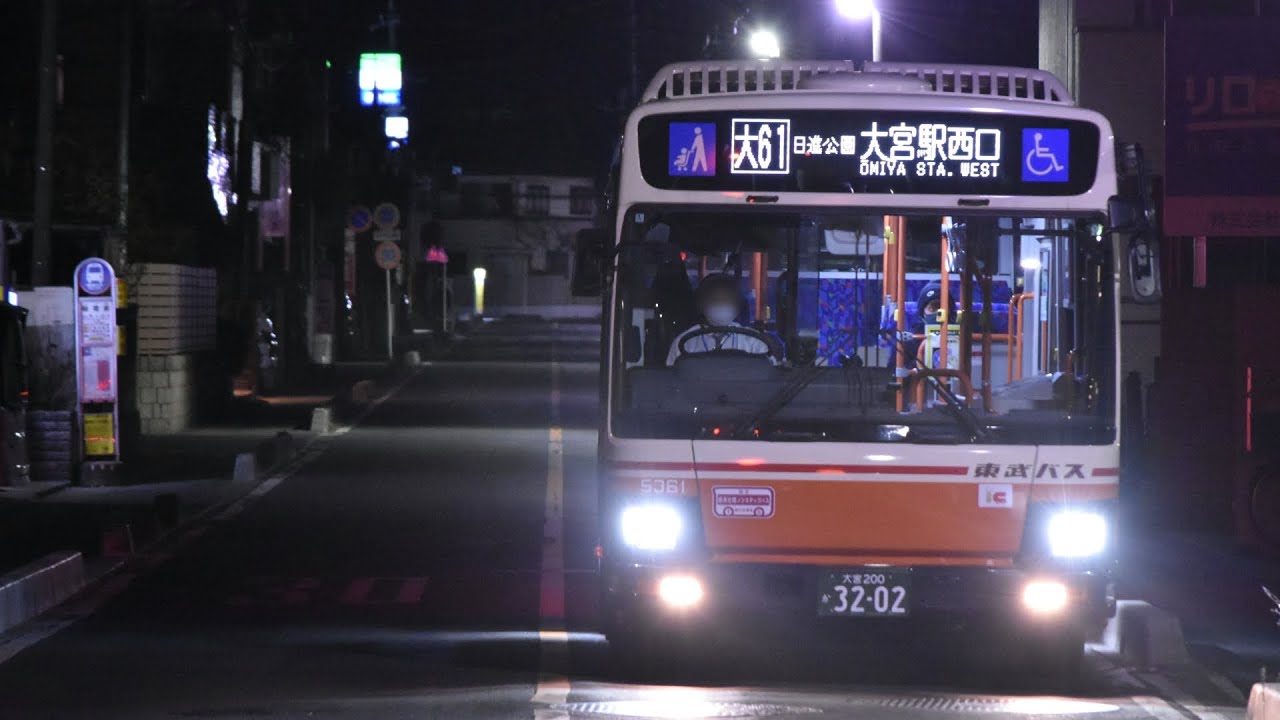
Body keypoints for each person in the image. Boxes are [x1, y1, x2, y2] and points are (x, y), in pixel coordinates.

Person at [667, 273, 771, 365]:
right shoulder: (684, 342)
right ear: (701, 304)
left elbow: (769, 373)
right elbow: (671, 380)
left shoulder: (753, 341)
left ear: (738, 305)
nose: (721, 304)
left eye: (727, 300)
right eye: (715, 300)